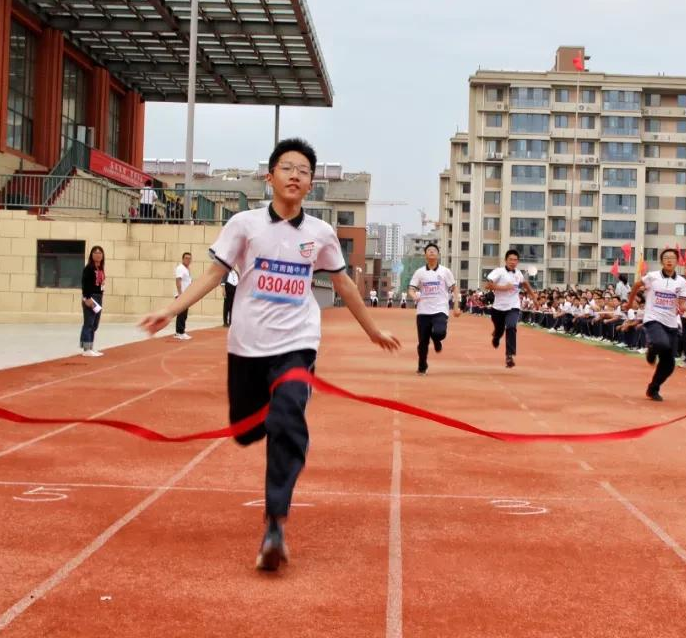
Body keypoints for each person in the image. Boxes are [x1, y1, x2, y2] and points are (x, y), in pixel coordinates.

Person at [139, 138, 400, 572]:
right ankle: (267, 427)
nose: (295, 175)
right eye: (287, 167)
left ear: (311, 183)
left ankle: (275, 522)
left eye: (303, 170)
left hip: (297, 342)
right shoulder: (244, 225)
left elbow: (344, 285)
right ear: (270, 176)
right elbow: (213, 273)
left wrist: (372, 330)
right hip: (247, 344)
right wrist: (171, 310)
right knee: (245, 430)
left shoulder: (321, 234)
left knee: (287, 418)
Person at [626, 249, 686, 401]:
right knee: (661, 343)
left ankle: (653, 388)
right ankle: (652, 349)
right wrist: (629, 303)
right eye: (666, 258)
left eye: (672, 258)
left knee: (669, 364)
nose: (669, 260)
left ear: (677, 262)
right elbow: (635, 285)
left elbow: (681, 303)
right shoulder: (652, 277)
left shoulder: (681, 282)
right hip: (653, 318)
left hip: (671, 323)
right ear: (661, 261)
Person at [407, 243, 460, 375]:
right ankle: (422, 366)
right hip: (423, 311)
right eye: (429, 250)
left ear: (438, 254)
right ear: (425, 255)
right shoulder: (419, 272)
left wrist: (456, 306)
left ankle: (436, 340)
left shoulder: (445, 271)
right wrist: (414, 296)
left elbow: (454, 288)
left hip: (440, 309)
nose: (431, 252)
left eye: (434, 250)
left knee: (440, 332)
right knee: (423, 343)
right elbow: (411, 289)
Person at [485, 249, 537, 368]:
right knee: (499, 330)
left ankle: (509, 355)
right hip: (498, 308)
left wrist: (533, 297)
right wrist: (503, 288)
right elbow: (487, 285)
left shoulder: (518, 273)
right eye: (511, 259)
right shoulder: (499, 272)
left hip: (513, 307)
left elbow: (525, 284)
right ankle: (496, 336)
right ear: (506, 260)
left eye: (515, 260)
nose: (513, 262)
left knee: (511, 327)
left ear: (517, 261)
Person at [80, 245, 106, 357]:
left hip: (99, 297)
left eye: (100, 253)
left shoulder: (100, 268)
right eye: (95, 253)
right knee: (89, 323)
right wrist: (87, 298)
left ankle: (90, 346)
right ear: (91, 255)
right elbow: (84, 284)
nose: (98, 255)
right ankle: (86, 348)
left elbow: (101, 284)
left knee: (95, 324)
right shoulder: (89, 268)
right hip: (91, 297)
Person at [174, 252, 193, 340]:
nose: (188, 260)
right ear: (182, 259)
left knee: (184, 314)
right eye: (186, 258)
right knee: (181, 314)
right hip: (181, 295)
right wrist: (180, 294)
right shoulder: (180, 268)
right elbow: (178, 281)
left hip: (187, 295)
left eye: (189, 258)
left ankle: (181, 331)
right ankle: (179, 332)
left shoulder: (187, 269)